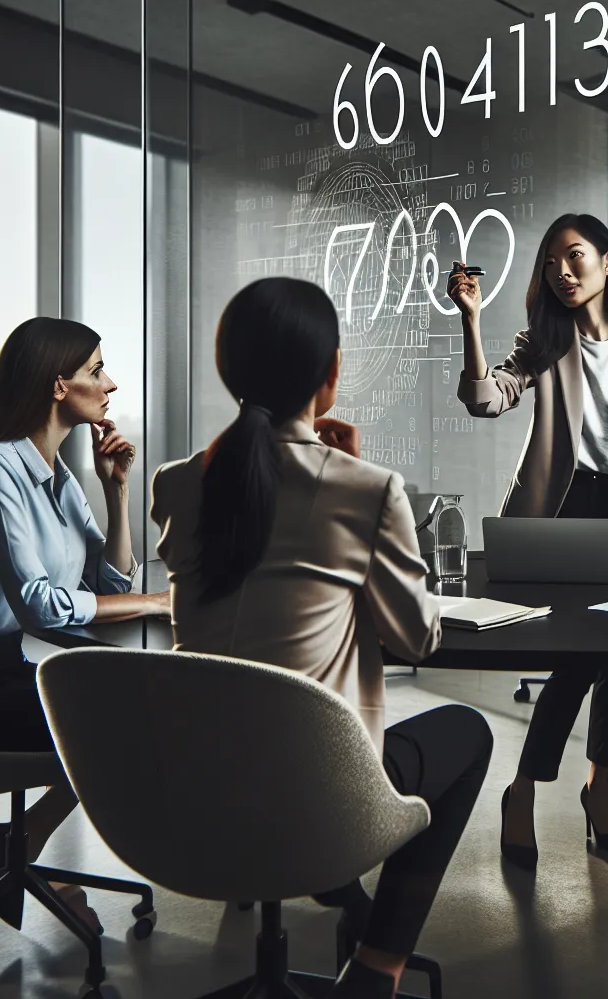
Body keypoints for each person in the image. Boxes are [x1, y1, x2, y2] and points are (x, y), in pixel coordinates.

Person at [150, 277, 493, 999]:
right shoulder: (366, 488)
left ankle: (343, 904)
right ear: (331, 373)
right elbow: (419, 638)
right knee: (468, 733)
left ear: (228, 370)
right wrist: (360, 487)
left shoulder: (176, 484)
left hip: (186, 791)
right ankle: (376, 972)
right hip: (316, 800)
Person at [0, 317, 171, 933]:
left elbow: (111, 587)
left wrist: (117, 493)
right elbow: (39, 605)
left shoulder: (60, 477)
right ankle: (18, 847)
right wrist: (158, 605)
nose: (110, 385)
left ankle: (14, 844)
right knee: (118, 720)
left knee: (131, 708)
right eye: (96, 370)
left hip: (1, 666)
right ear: (59, 386)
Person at [452, 212, 608, 871]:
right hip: (560, 514)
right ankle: (524, 791)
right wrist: (471, 320)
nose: (562, 271)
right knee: (578, 659)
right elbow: (484, 399)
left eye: (575, 256)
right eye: (551, 262)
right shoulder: (544, 342)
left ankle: (599, 788)